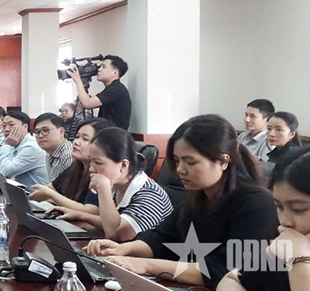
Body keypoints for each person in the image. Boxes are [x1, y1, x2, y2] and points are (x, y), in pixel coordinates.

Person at [83, 115, 277, 289]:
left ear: (223, 161)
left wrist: (146, 265)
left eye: (190, 162)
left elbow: (226, 271)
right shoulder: (197, 196)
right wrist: (124, 249)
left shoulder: (257, 205)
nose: (180, 170)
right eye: (177, 161)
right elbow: (162, 238)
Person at [50, 128, 172, 241]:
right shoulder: (118, 184)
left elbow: (115, 235)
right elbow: (112, 222)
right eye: (91, 161)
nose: (91, 169)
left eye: (98, 162)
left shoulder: (149, 196)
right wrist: (80, 215)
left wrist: (103, 189)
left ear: (123, 165)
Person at [218, 149, 310, 291]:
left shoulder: (295, 248)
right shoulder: (287, 245)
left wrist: (300, 260)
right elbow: (232, 280)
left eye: (298, 209)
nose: (284, 221)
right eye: (279, 206)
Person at [28, 118, 115, 211]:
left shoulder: (102, 173)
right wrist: (28, 197)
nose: (76, 142)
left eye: (85, 139)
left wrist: (51, 195)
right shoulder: (77, 166)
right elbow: (52, 188)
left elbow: (91, 210)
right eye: (77, 137)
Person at [69, 55, 132, 130]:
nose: (99, 69)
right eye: (100, 66)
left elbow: (87, 103)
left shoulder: (116, 89)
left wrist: (78, 80)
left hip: (114, 135)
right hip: (109, 133)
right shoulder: (113, 88)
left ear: (115, 73)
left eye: (103, 67)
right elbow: (86, 103)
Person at [33, 113, 74, 182]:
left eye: (45, 130)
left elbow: (67, 187)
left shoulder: (69, 155)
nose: (40, 136)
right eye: (37, 132)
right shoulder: (49, 153)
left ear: (61, 132)